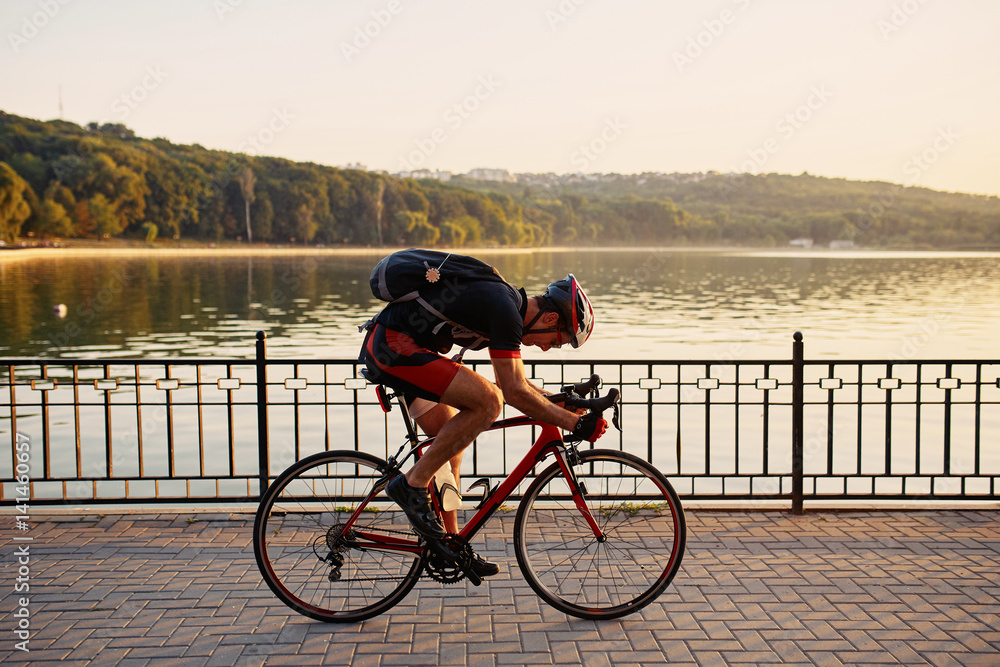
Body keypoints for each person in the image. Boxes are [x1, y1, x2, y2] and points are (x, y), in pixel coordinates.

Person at [359, 254, 607, 577]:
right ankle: (410, 485)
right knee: (489, 402)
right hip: (395, 348)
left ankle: (448, 545)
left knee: (450, 449)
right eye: (557, 342)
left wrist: (559, 402)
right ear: (549, 319)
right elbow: (512, 392)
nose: (548, 348)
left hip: (404, 349)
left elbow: (514, 381)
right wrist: (575, 424)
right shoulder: (505, 309)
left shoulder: (506, 307)